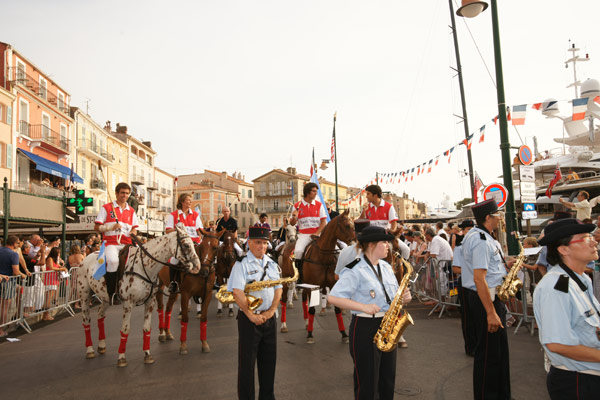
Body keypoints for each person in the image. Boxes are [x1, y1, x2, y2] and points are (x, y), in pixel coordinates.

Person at [328, 226, 412, 400]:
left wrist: (404, 297)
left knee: (387, 379)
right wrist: (362, 306)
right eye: (384, 242)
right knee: (367, 382)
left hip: (387, 325)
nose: (388, 245)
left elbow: (393, 296)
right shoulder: (355, 269)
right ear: (371, 245)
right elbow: (333, 298)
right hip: (365, 326)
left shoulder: (386, 267)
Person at [533, 218, 600, 399]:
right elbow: (557, 343)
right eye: (586, 238)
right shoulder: (555, 287)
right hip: (577, 382)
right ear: (563, 249)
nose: (594, 241)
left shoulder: (580, 279)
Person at [461, 199, 511, 399]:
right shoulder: (480, 240)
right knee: (489, 355)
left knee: (498, 353)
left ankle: (501, 394)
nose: (500, 218)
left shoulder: (484, 237)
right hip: (486, 300)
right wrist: (491, 312)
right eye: (497, 214)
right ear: (488, 217)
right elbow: (479, 278)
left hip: (490, 297)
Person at [227, 226, 282, 400]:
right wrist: (251, 315)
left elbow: (278, 287)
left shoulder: (272, 263)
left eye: (265, 243)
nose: (262, 246)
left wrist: (272, 310)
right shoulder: (241, 264)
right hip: (249, 320)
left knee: (269, 364)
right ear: (249, 243)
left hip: (269, 318)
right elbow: (237, 292)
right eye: (258, 242)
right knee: (247, 366)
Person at [94, 182, 139, 305]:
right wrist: (110, 227)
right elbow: (96, 227)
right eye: (122, 193)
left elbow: (135, 227)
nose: (125, 195)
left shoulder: (131, 210)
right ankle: (112, 294)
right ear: (117, 193)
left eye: (127, 193)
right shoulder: (107, 208)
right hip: (111, 243)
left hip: (127, 243)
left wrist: (133, 233)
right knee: (113, 261)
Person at [165, 193, 204, 292]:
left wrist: (203, 234)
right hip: (180, 244)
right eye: (188, 200)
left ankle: (208, 281)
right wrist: (176, 229)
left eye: (191, 200)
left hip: (194, 243)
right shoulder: (173, 215)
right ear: (182, 202)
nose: (190, 202)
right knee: (174, 260)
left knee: (206, 257)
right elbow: (168, 230)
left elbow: (200, 230)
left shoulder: (195, 214)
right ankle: (173, 282)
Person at [292, 182, 328, 282]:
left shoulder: (319, 205)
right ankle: (299, 276)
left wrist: (317, 233)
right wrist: (294, 217)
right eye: (314, 191)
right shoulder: (297, 206)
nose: (316, 193)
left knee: (337, 248)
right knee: (298, 251)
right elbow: (292, 223)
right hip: (304, 235)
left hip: (318, 234)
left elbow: (323, 222)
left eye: (316, 191)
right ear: (307, 192)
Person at [452, 219, 476, 356]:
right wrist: (474, 271)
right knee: (468, 318)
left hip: (478, 285)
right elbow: (455, 269)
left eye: (472, 228)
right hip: (466, 285)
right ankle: (470, 347)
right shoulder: (460, 248)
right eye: (467, 229)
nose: (470, 231)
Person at [0, 236, 27, 337]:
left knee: (19, 289)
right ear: (14, 244)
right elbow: (16, 271)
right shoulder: (13, 254)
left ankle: (19, 313)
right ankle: (1, 329)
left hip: (4, 279)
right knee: (5, 307)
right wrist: (23, 275)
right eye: (18, 243)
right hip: (7, 281)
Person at [42, 247, 67, 321]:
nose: (59, 254)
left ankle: (45, 314)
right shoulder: (50, 259)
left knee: (50, 297)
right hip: (50, 279)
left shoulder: (55, 260)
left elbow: (57, 266)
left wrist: (62, 267)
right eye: (58, 253)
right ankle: (46, 315)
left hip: (54, 279)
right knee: (48, 297)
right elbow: (51, 267)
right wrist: (61, 269)